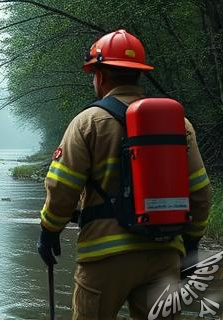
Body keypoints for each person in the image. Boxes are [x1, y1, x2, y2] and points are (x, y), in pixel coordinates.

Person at [35, 29, 212, 319]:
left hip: (104, 259)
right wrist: (190, 244)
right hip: (165, 254)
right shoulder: (179, 124)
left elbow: (62, 187)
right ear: (139, 75)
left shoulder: (87, 123)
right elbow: (201, 192)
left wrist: (49, 230)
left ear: (101, 76)